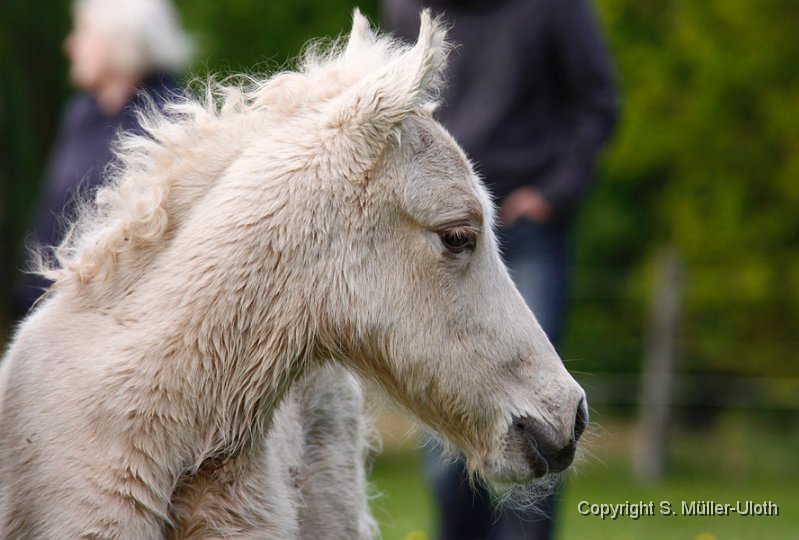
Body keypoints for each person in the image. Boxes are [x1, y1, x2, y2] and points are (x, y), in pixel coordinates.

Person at [382, 0, 619, 539]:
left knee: (540, 413)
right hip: (438, 237)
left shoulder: (554, 8)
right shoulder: (406, 8)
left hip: (525, 226)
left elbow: (598, 102)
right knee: (449, 434)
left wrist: (552, 195)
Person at [11, 0, 192, 318]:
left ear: (120, 38)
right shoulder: (82, 112)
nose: (70, 45)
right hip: (53, 311)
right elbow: (52, 212)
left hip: (119, 320)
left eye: (83, 32)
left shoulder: (171, 120)